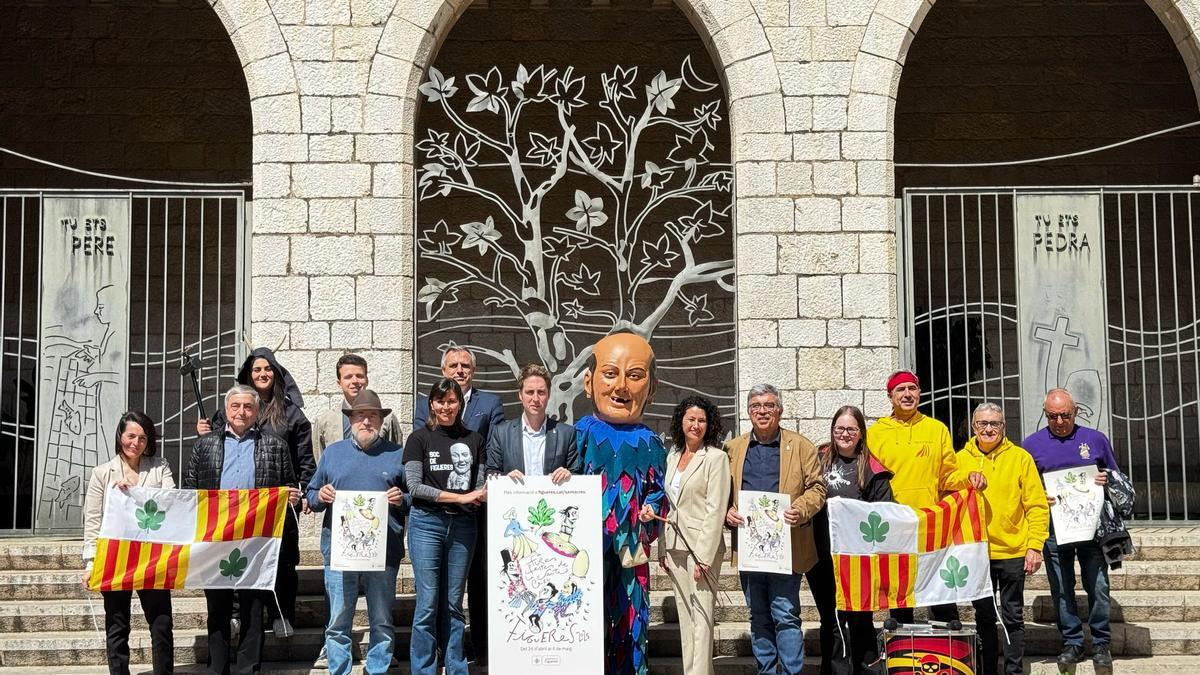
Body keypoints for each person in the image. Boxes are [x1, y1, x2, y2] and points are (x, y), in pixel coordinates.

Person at [184, 385, 301, 675]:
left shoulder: (275, 446)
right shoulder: (204, 445)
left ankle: (249, 669)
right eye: (235, 406)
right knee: (218, 606)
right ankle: (217, 668)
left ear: (257, 411)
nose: (241, 412)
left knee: (252, 608)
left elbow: (288, 484)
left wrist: (293, 496)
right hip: (216, 537)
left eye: (248, 407)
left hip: (257, 539)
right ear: (226, 410)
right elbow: (189, 490)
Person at [198, 347, 314, 637]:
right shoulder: (236, 406)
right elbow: (216, 445)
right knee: (235, 558)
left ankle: (280, 614)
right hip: (236, 506)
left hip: (278, 506)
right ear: (248, 376)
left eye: (267, 369)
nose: (262, 374)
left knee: (282, 559)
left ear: (276, 373)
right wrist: (205, 433)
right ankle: (236, 613)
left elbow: (304, 461)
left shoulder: (292, 414)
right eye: (256, 370)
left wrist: (304, 492)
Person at [577, 332, 667, 675]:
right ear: (589, 382)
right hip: (585, 551)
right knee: (584, 619)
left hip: (631, 551)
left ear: (652, 387)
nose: (622, 387)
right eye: (611, 373)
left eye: (635, 375)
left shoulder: (651, 443)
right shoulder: (579, 434)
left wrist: (651, 512)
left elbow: (659, 491)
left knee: (632, 621)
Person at [866, 370, 984, 623]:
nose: (907, 394)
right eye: (901, 390)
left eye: (912, 389)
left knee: (940, 591)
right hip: (894, 525)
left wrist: (968, 477)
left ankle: (949, 652)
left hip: (931, 524)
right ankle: (902, 654)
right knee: (900, 594)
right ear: (890, 396)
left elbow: (947, 476)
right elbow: (870, 480)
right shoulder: (876, 433)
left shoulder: (937, 429)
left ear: (919, 393)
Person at [724, 383, 826, 675]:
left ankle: (792, 672)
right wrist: (726, 512)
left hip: (788, 547)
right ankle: (766, 671)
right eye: (756, 406)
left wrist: (801, 509)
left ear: (779, 410)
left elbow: (817, 488)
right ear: (748, 411)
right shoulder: (733, 449)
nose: (763, 411)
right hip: (750, 548)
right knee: (758, 617)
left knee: (786, 615)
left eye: (769, 405)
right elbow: (719, 492)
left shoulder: (801, 445)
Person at [413, 346, 503, 663]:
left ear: (473, 371)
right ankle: (436, 650)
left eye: (465, 365)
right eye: (453, 365)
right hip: (434, 513)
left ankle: (480, 648)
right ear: (443, 370)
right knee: (433, 592)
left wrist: (481, 490)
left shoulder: (489, 404)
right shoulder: (425, 404)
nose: (459, 370)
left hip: (474, 511)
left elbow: (492, 450)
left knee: (477, 578)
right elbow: (421, 454)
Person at [306, 390, 406, 675]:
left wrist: (402, 498)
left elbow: (414, 498)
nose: (366, 422)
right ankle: (339, 669)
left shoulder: (397, 454)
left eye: (372, 416)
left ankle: (377, 669)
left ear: (381, 420)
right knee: (338, 619)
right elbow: (311, 495)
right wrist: (319, 495)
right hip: (339, 552)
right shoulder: (333, 453)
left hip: (384, 550)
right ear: (350, 420)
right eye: (360, 416)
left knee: (382, 619)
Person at [1023, 388, 1120, 672]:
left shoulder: (1095, 439)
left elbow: (1116, 476)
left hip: (1092, 529)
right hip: (1053, 529)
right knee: (1062, 589)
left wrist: (1106, 479)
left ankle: (1102, 643)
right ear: (1045, 415)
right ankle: (1072, 643)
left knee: (1099, 586)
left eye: (1065, 415)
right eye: (1053, 416)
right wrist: (1041, 494)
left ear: (1075, 412)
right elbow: (1025, 488)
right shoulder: (1031, 445)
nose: (1060, 421)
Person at [404, 378, 487, 675]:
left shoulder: (475, 440)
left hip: (464, 526)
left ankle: (456, 667)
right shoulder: (419, 439)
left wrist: (481, 494)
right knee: (427, 604)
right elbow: (414, 486)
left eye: (451, 401)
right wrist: (462, 496)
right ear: (431, 404)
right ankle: (424, 669)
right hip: (426, 524)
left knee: (454, 603)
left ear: (460, 404)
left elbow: (479, 486)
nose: (446, 407)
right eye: (440, 401)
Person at [959, 402, 1049, 675]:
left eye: (994, 424)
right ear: (974, 427)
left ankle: (1013, 671)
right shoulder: (959, 459)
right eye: (983, 424)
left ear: (1003, 427)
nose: (988, 429)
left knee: (1012, 616)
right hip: (977, 553)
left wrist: (1035, 546)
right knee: (984, 617)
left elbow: (1036, 505)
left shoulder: (1021, 458)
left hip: (1012, 551)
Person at [82, 411, 175, 675]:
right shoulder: (102, 473)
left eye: (142, 438)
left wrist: (134, 493)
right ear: (120, 436)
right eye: (131, 436)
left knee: (161, 623)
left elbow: (171, 500)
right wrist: (90, 562)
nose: (136, 443)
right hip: (114, 556)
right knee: (117, 623)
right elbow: (93, 520)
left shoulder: (160, 466)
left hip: (152, 557)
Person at [808, 405, 893, 675]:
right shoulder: (817, 459)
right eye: (839, 429)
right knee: (831, 620)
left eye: (851, 429)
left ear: (860, 433)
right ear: (832, 431)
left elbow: (885, 512)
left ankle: (865, 670)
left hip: (859, 559)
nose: (844, 434)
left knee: (860, 619)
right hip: (821, 555)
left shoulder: (872, 468)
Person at [656, 396, 730, 675]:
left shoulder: (716, 458)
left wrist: (704, 556)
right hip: (675, 545)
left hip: (701, 548)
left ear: (708, 424)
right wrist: (663, 548)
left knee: (702, 616)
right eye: (691, 419)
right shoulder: (673, 455)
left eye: (702, 420)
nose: (696, 425)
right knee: (686, 618)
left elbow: (715, 509)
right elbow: (669, 505)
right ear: (681, 422)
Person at [486, 363, 579, 482]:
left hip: (553, 499)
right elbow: (491, 472)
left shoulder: (566, 434)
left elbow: (577, 473)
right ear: (520, 395)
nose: (535, 399)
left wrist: (568, 475)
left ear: (549, 395)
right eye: (530, 392)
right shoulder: (502, 433)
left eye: (541, 392)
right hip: (515, 499)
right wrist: (505, 479)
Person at [312, 353, 404, 461]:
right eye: (348, 377)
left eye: (359, 376)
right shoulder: (325, 421)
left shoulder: (387, 419)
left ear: (367, 380)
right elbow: (320, 462)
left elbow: (396, 457)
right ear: (339, 383)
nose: (355, 381)